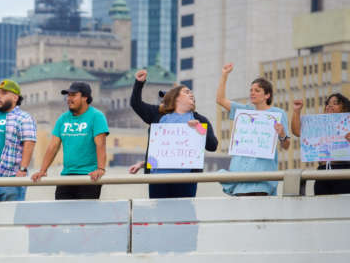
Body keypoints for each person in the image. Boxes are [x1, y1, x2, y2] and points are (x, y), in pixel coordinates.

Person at [127, 69, 219, 199]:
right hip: (158, 179)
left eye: (192, 93)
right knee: (159, 216)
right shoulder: (158, 115)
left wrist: (198, 128)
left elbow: (213, 145)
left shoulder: (200, 120)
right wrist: (139, 83)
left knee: (183, 217)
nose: (191, 94)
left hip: (186, 180)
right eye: (187, 92)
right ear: (175, 97)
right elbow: (135, 104)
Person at [216, 63, 291, 196]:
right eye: (251, 90)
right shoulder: (244, 111)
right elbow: (220, 100)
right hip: (239, 177)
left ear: (267, 95)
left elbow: (286, 145)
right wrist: (224, 75)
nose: (252, 93)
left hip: (262, 179)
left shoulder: (278, 114)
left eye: (257, 90)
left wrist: (282, 134)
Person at [31, 82, 109, 200]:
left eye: (73, 95)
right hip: (67, 175)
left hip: (89, 176)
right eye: (68, 95)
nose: (69, 99)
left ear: (85, 97)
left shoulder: (97, 116)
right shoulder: (63, 118)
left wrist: (101, 169)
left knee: (85, 217)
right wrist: (42, 170)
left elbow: (100, 144)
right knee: (61, 215)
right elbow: (53, 146)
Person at [290, 92, 350, 196]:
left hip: (343, 170)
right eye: (328, 103)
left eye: (335, 103)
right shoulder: (318, 123)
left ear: (345, 109)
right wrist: (296, 111)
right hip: (322, 171)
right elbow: (297, 131)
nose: (329, 106)